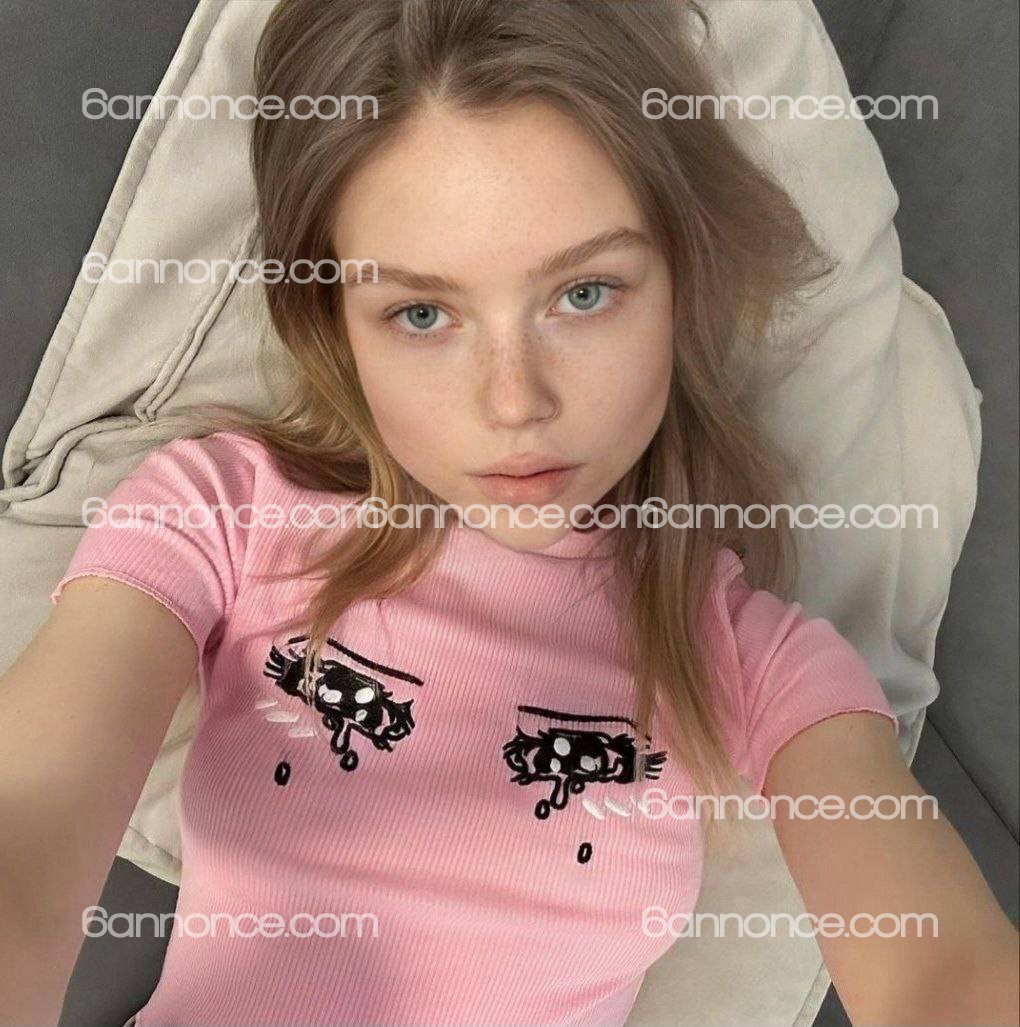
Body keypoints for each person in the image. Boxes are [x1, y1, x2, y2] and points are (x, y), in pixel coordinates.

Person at [1, 1, 1016, 1025]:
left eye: (585, 293)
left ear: (681, 282)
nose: (515, 402)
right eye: (423, 314)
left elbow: (945, 973)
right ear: (336, 324)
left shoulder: (763, 662)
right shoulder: (216, 517)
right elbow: (25, 832)